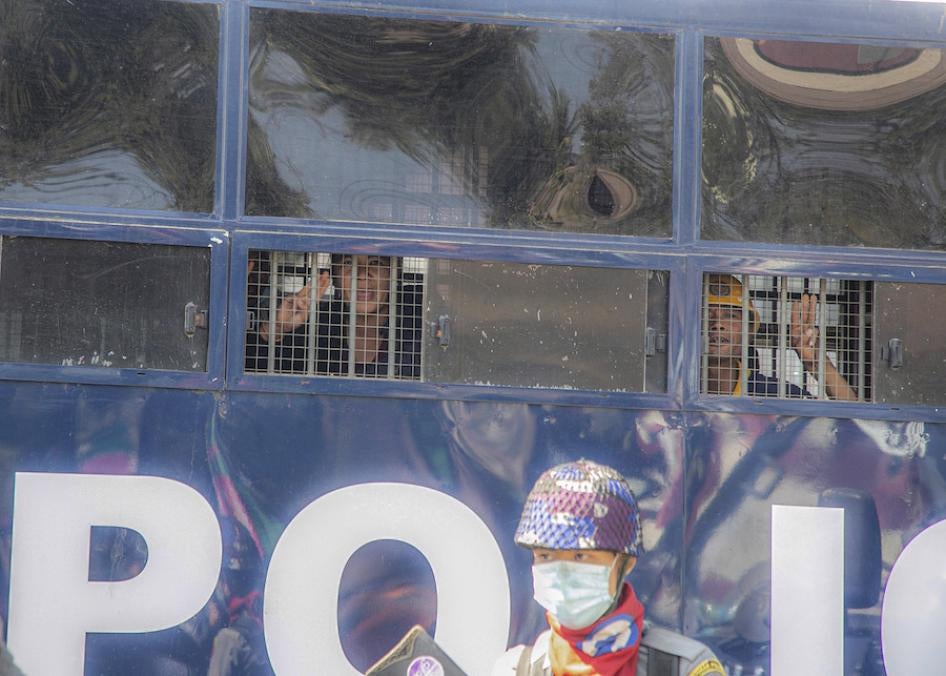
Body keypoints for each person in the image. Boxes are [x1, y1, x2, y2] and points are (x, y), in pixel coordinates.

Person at [493, 459, 724, 676]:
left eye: (581, 555)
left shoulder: (685, 668)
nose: (561, 572)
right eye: (545, 555)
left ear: (626, 563)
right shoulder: (516, 669)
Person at [245, 254, 421, 378]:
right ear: (335, 277)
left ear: (394, 274)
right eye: (348, 262)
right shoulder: (316, 327)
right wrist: (276, 329)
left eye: (376, 262)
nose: (360, 274)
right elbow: (248, 377)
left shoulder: (418, 330)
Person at [705, 274, 857, 400]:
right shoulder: (680, 396)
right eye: (704, 314)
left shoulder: (776, 395)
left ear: (750, 331)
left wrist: (818, 365)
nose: (717, 324)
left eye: (730, 315)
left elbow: (859, 427)